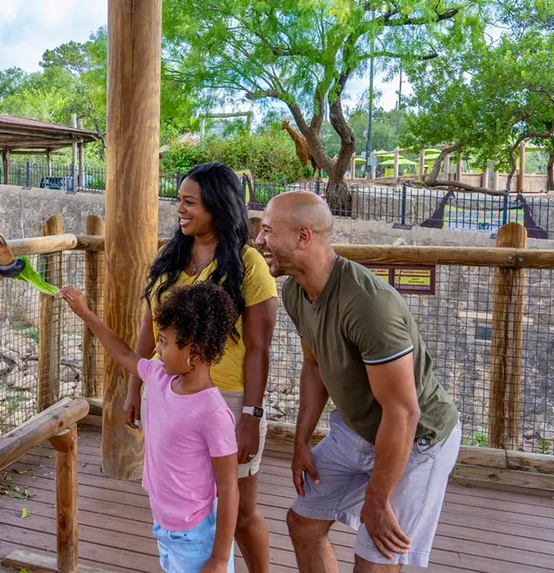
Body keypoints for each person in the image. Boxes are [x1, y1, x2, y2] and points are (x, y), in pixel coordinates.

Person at [255, 191, 461, 572]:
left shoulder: (367, 305)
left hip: (416, 438)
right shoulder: (295, 291)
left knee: (375, 558)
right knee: (303, 524)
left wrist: (378, 500)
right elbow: (314, 367)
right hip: (356, 430)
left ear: (303, 237)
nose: (259, 240)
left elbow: (403, 412)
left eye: (268, 230)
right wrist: (301, 441)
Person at [124, 162, 277, 572]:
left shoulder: (248, 265)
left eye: (190, 202)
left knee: (240, 509)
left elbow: (260, 347)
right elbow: (147, 326)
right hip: (171, 397)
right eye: (180, 201)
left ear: (217, 206)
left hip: (226, 401)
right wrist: (132, 390)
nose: (180, 209)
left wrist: (250, 414)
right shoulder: (168, 257)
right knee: (190, 503)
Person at [61, 282, 239, 573]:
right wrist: (85, 313)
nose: (157, 349)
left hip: (196, 538)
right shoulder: (159, 378)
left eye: (165, 343)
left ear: (193, 352)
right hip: (164, 527)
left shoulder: (213, 413)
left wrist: (219, 559)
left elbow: (229, 488)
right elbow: (123, 354)